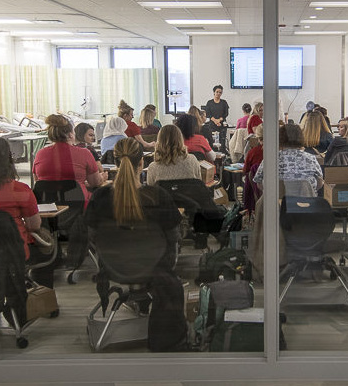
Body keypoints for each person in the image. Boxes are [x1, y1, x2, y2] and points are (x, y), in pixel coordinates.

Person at [84, 137, 187, 352]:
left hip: (113, 268)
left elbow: (92, 237)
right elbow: (174, 237)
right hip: (154, 270)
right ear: (142, 163)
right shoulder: (158, 197)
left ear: (115, 162)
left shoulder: (100, 197)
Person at [33, 114, 106, 207]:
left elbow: (38, 180)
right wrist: (102, 178)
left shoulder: (40, 154)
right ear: (71, 135)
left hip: (48, 207)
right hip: (77, 206)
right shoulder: (84, 153)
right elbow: (95, 182)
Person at [254, 123, 323, 195]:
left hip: (276, 203)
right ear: (301, 138)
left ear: (279, 138)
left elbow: (259, 182)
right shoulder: (311, 158)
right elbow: (320, 183)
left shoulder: (270, 159)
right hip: (306, 203)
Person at [205, 84, 229, 151]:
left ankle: (223, 154)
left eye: (220, 92)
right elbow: (208, 114)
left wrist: (219, 120)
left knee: (222, 141)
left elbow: (226, 113)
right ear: (214, 92)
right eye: (217, 92)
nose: (218, 93)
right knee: (212, 141)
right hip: (212, 124)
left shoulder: (224, 102)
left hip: (221, 124)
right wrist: (215, 121)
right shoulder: (209, 103)